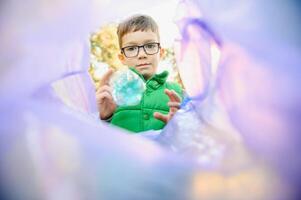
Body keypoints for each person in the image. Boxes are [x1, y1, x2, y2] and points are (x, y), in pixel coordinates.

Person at [96, 14, 183, 133]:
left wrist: (178, 125)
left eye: (150, 46)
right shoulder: (111, 95)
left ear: (160, 53)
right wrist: (105, 118)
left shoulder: (177, 94)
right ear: (122, 58)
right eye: (131, 48)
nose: (142, 55)